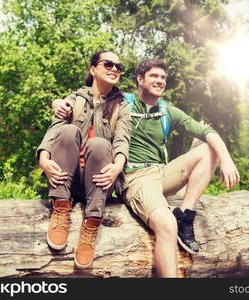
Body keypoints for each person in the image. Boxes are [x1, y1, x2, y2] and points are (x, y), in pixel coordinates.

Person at [53, 58, 239, 277]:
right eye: (154, 76)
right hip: (134, 177)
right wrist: (58, 102)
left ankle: (185, 214)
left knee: (209, 149)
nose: (160, 81)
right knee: (166, 225)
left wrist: (226, 160)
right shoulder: (122, 101)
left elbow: (207, 132)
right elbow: (88, 95)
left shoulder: (168, 111)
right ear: (140, 79)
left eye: (163, 78)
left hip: (161, 172)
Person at [36, 50, 131, 269]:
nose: (115, 69)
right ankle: (60, 207)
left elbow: (122, 139)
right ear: (93, 69)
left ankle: (92, 222)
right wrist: (43, 159)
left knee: (99, 144)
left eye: (119, 66)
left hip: (98, 182)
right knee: (68, 131)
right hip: (66, 178)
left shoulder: (122, 106)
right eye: (108, 64)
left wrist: (118, 166)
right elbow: (54, 131)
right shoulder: (74, 99)